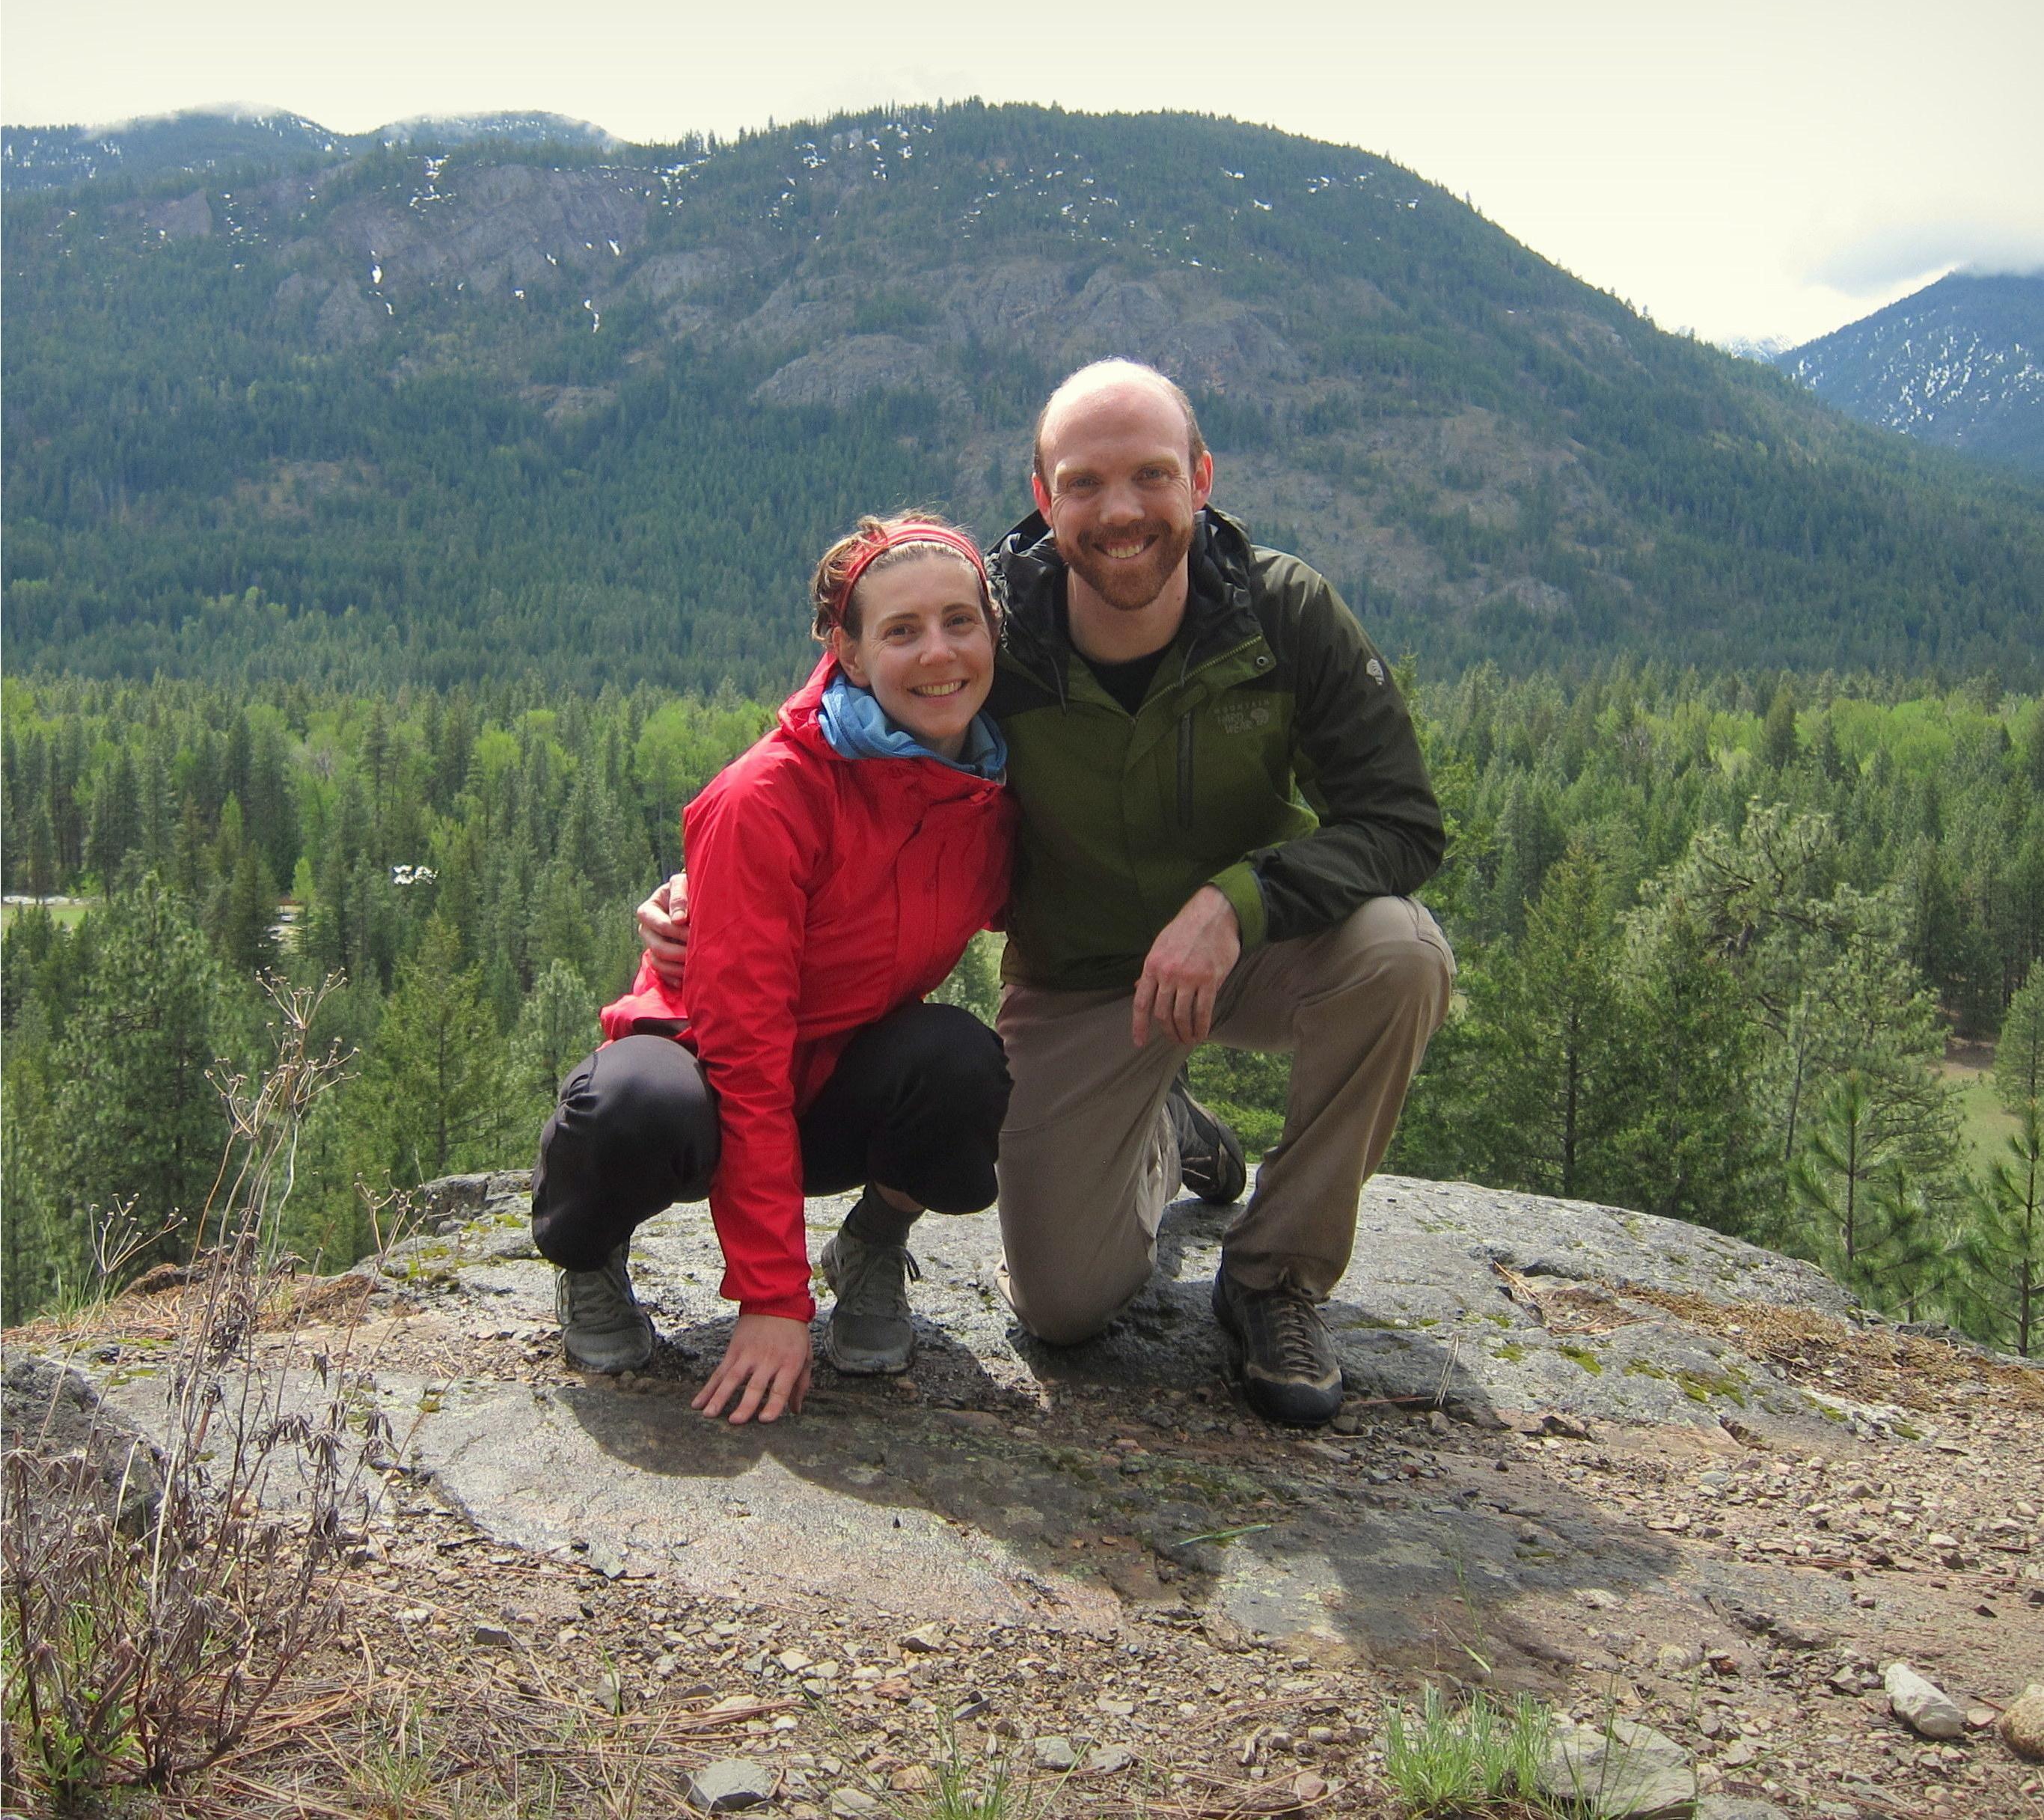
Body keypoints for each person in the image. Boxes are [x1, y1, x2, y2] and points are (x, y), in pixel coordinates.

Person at [640, 360, 1453, 1428]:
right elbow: (848, 712)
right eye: (1085, 483)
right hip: (1082, 984)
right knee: (1065, 1311)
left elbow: (1402, 825)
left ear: (1202, 479)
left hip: (1249, 953)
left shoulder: (1282, 614)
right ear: (1044, 497)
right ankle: (1163, 1132)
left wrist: (1237, 902)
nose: (1121, 512)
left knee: (1400, 954)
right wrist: (717, 869)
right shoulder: (993, 630)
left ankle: (1275, 1279)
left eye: (1152, 476)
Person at [531, 513, 1015, 1425]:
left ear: (993, 630)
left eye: (960, 621)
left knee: (960, 1066)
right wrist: (771, 1300)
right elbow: (744, 1053)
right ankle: (588, 1256)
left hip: (836, 1081)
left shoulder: (988, 791)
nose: (939, 652)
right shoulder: (769, 797)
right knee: (630, 1106)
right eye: (900, 630)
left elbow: (1071, 930)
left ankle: (870, 1242)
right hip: (712, 1074)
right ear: (850, 652)